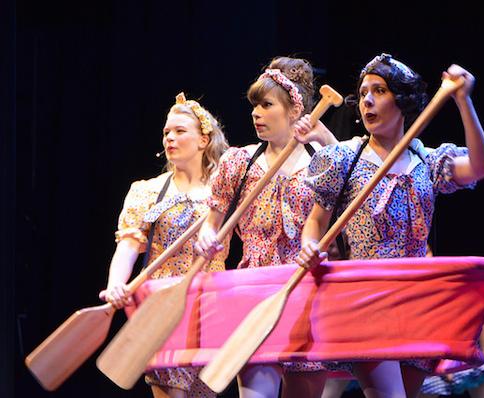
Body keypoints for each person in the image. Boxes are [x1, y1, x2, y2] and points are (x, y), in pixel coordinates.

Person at [296, 52, 484, 398]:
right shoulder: (344, 159)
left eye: (380, 91)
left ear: (402, 101)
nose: (367, 100)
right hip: (365, 299)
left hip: (415, 302)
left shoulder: (426, 162)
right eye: (364, 92)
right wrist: (310, 245)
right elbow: (315, 223)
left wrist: (463, 101)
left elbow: (479, 167)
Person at [196, 56, 337, 398]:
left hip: (307, 293)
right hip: (254, 291)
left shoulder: (323, 164)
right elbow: (211, 223)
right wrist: (208, 238)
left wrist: (323, 137)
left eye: (266, 105)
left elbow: (353, 177)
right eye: (254, 106)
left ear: (294, 111)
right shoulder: (239, 163)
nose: (255, 113)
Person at [99, 92, 229, 398]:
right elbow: (129, 245)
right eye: (166, 132)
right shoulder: (147, 191)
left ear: (203, 140)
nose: (170, 138)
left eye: (180, 131)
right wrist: (117, 283)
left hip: (207, 308)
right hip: (160, 308)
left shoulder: (223, 192)